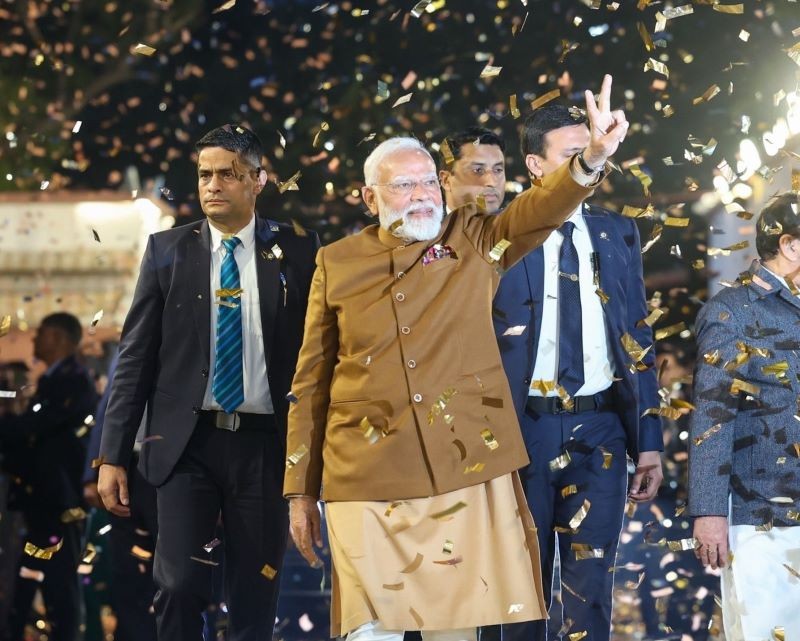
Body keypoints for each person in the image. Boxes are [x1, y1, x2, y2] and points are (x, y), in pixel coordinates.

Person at [285, 74, 628, 641]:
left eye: (427, 182)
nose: (422, 195)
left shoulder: (473, 238)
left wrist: (590, 159)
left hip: (459, 467)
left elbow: (537, 210)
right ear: (369, 198)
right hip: (362, 475)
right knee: (368, 632)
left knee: (455, 633)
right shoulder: (336, 262)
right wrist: (300, 489)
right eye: (403, 186)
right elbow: (311, 380)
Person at [96, 124, 320, 641]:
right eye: (204, 175)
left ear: (259, 180)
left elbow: (320, 354)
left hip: (266, 446)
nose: (213, 185)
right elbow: (134, 359)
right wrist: (111, 455)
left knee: (255, 596)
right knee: (176, 585)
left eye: (228, 174)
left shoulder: (300, 249)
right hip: (185, 445)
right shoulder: (167, 251)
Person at [491, 103, 663, 641]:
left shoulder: (618, 232)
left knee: (591, 595)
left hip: (600, 429)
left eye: (596, 153)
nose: (593, 162)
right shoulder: (500, 233)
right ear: (535, 165)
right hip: (523, 429)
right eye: (576, 155)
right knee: (520, 594)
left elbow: (637, 337)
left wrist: (649, 442)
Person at [688, 192, 800, 640]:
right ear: (790, 245)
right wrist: (709, 511)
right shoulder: (732, 311)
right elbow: (712, 419)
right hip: (761, 518)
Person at [0, 312, 98, 641]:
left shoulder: (72, 380)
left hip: (61, 500)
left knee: (59, 583)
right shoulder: (58, 378)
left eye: (40, 332)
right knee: (33, 577)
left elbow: (38, 429)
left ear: (56, 337)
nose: (34, 338)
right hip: (47, 498)